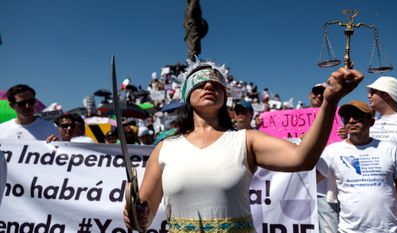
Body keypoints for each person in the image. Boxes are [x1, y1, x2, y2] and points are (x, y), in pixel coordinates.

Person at [123, 61, 363, 232]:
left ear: (225, 96)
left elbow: (303, 158)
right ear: (186, 95)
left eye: (216, 84)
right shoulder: (164, 148)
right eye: (200, 83)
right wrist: (136, 216)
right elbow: (143, 217)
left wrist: (330, 102)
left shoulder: (246, 140)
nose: (209, 86)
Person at [317, 100, 397, 232]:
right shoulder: (332, 151)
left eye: (357, 116)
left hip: (391, 229)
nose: (351, 120)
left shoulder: (390, 149)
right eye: (346, 118)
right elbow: (310, 181)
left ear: (371, 122)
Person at [367, 76, 397, 232]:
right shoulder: (372, 124)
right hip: (384, 205)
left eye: (372, 92)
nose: (368, 95)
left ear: (386, 94)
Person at [308, 82, 340, 233]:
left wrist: (347, 136)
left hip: (324, 190)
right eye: (316, 92)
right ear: (310, 95)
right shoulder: (292, 119)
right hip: (298, 190)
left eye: (322, 92)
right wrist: (261, 123)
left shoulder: (339, 118)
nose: (318, 95)